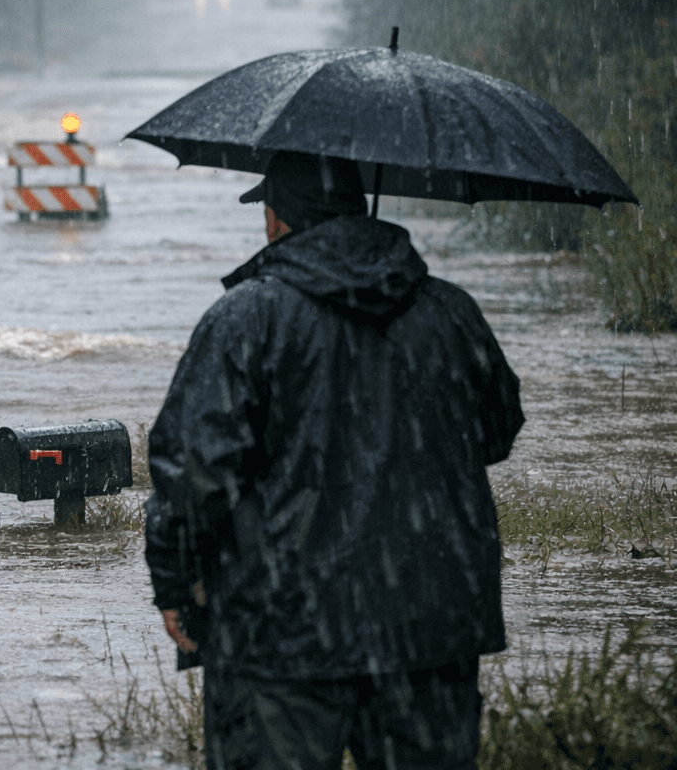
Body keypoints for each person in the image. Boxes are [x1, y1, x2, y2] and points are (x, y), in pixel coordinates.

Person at [144, 151, 524, 770]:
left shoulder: (247, 319)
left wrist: (174, 583)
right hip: (429, 629)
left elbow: (192, 475)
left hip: (280, 637)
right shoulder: (452, 313)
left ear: (275, 221)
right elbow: (497, 434)